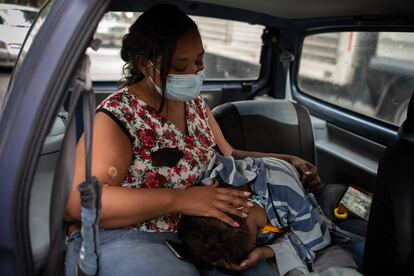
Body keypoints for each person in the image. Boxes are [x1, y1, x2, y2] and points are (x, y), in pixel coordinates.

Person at [64, 4, 321, 275]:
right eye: (179, 65)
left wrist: (289, 161)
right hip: (132, 235)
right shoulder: (118, 117)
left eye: (199, 60)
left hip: (206, 235)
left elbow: (229, 154)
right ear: (144, 65)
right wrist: (181, 199)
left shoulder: (194, 104)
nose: (194, 72)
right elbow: (78, 204)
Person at [178, 155, 359, 276]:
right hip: (280, 243)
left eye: (258, 230)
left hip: (315, 235)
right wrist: (265, 251)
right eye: (259, 235)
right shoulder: (206, 198)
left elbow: (316, 243)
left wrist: (268, 251)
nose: (264, 229)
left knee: (337, 265)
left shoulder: (284, 189)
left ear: (244, 204)